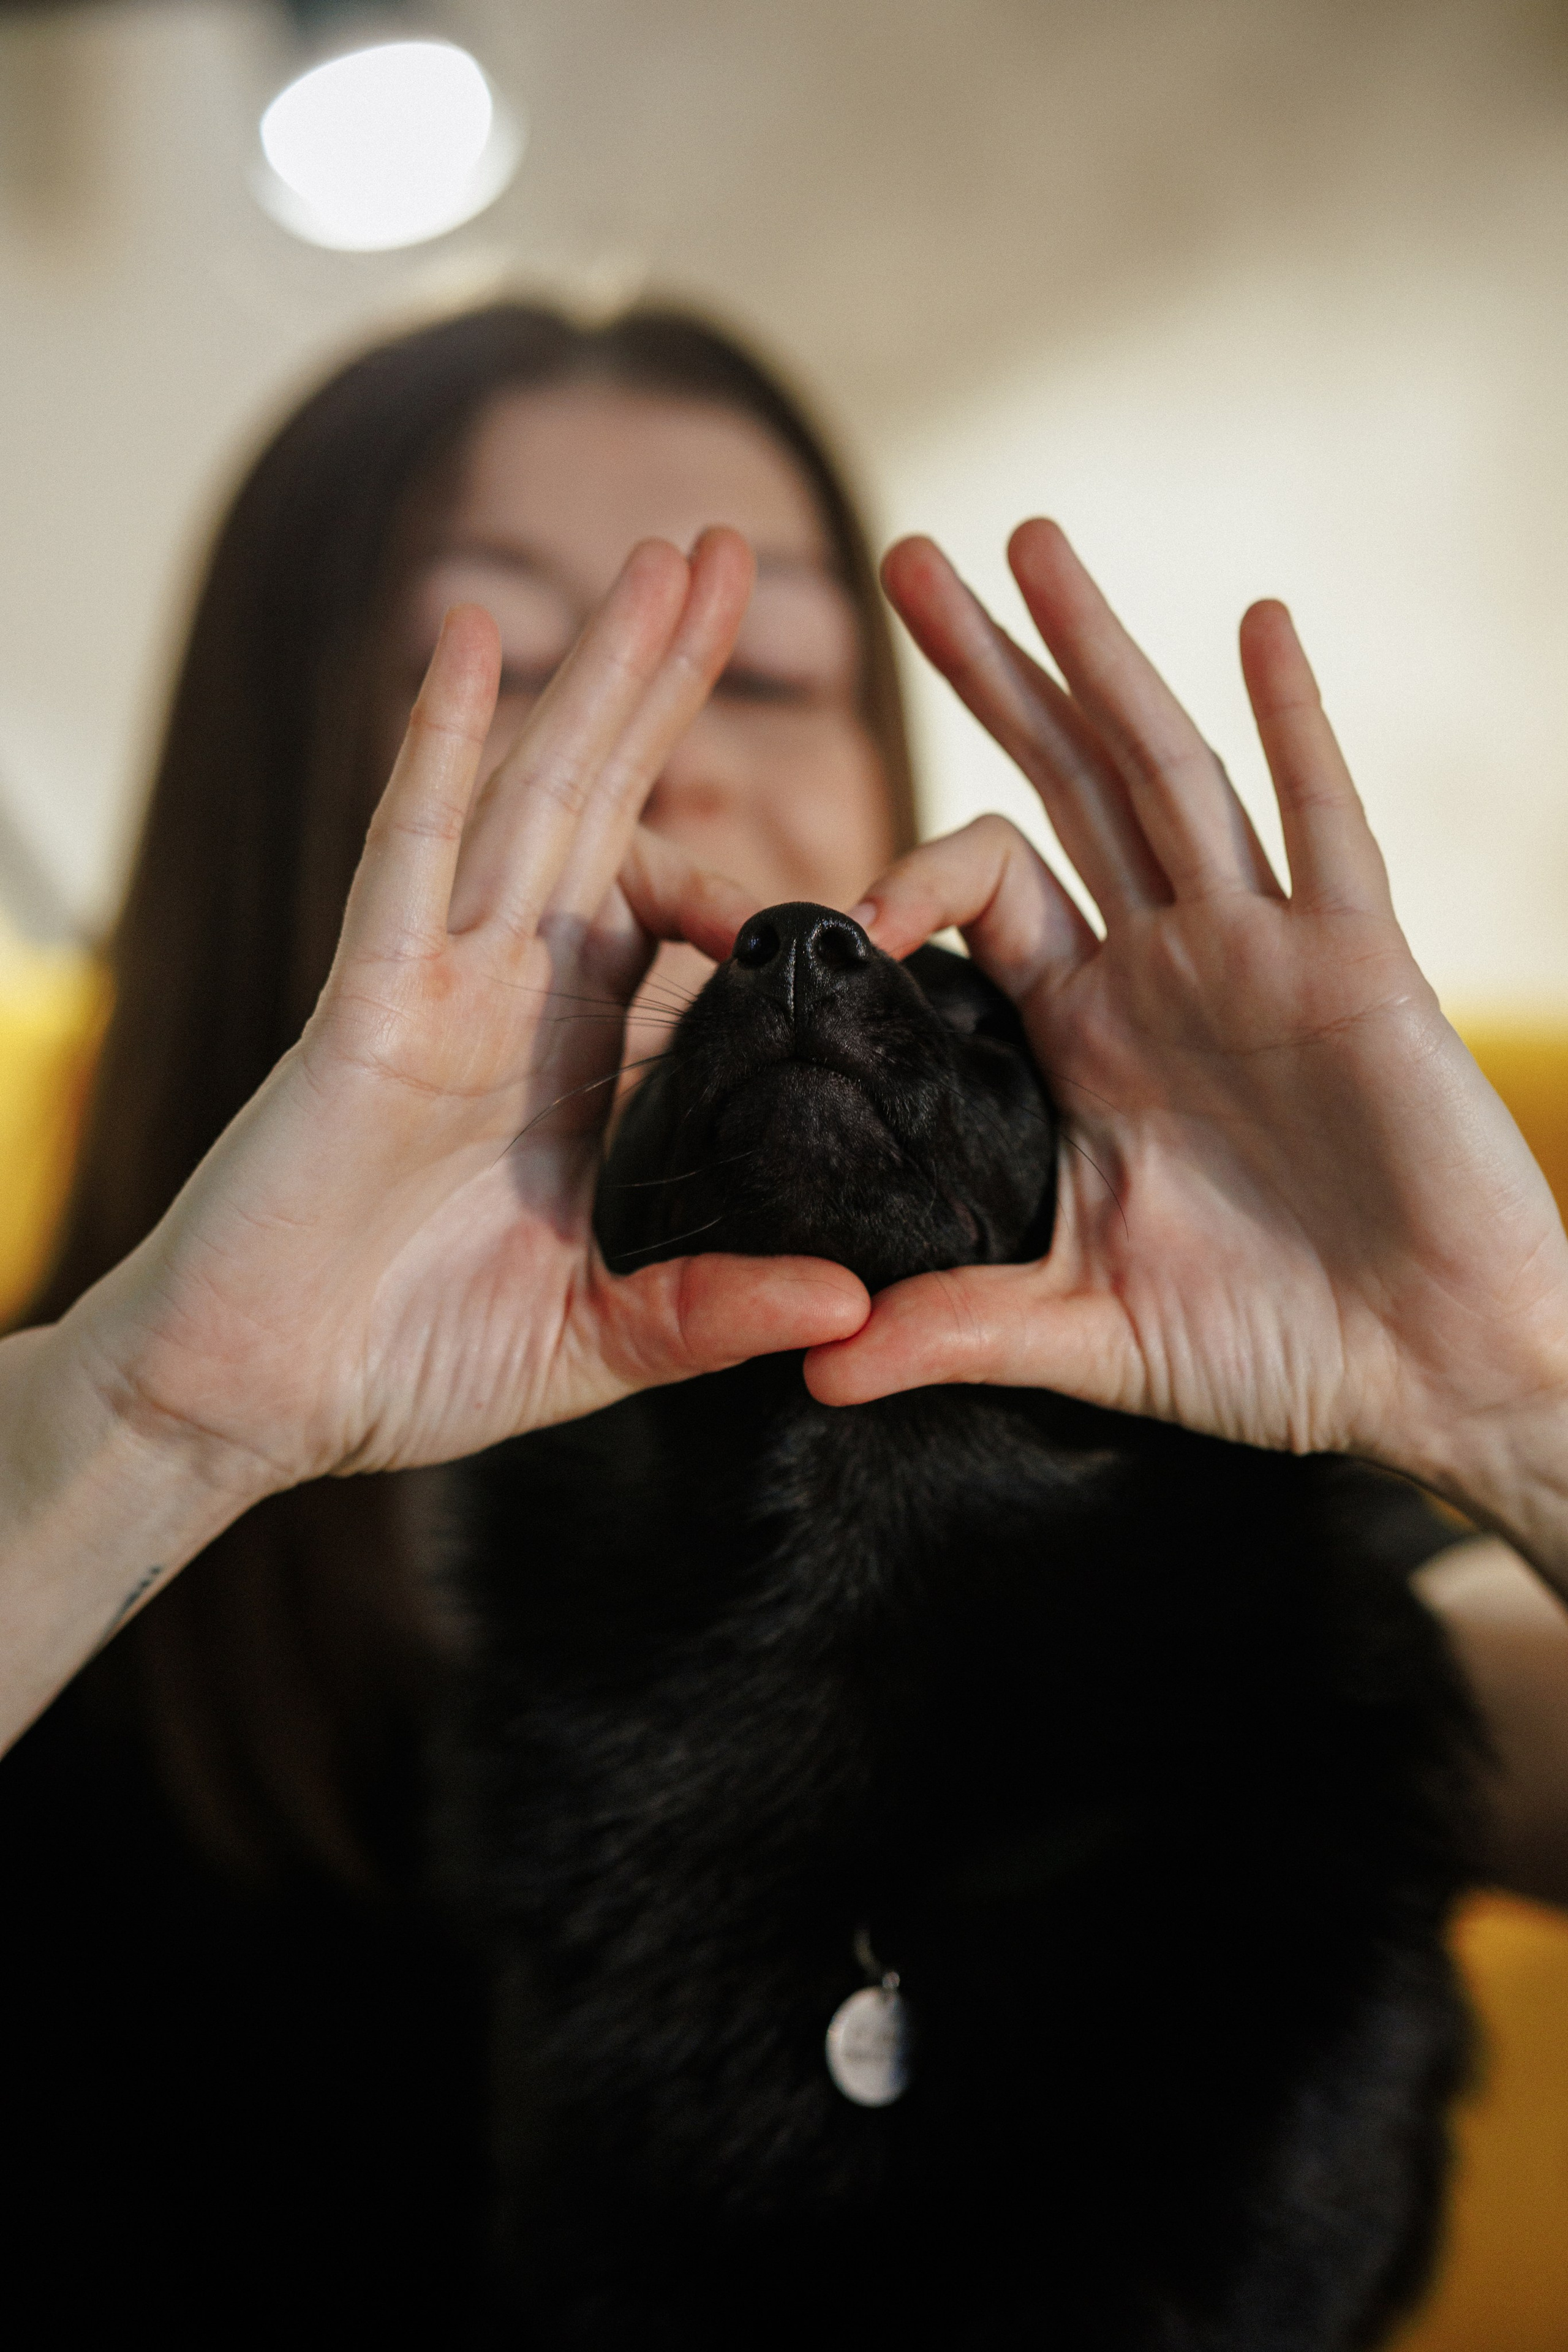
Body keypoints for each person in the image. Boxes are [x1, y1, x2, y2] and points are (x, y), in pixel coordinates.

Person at [2, 301, 1566, 2322]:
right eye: (514, 674)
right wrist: (144, 1435)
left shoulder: (1205, 1528)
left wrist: (1525, 1406)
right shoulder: (61, 1516)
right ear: (266, 795)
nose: (656, 762)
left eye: (769, 675)